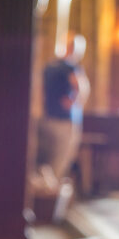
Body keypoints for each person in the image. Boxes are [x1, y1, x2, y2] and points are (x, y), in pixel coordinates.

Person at [37, 32, 90, 184]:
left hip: (48, 118)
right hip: (66, 121)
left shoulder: (50, 66)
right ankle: (51, 200)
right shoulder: (71, 67)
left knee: (47, 162)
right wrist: (76, 101)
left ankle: (45, 198)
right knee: (60, 162)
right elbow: (81, 87)